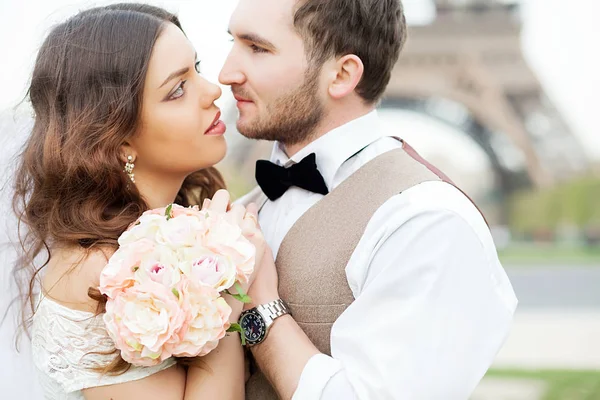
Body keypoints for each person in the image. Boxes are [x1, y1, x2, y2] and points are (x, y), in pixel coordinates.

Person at [218, 0, 519, 398]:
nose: (226, 73)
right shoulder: (238, 211)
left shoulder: (427, 221)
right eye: (232, 42)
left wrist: (261, 307)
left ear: (342, 74)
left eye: (257, 48)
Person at [11, 4, 263, 399]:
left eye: (196, 68)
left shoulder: (169, 223)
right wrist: (223, 285)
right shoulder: (97, 272)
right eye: (177, 89)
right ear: (119, 139)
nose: (213, 90)